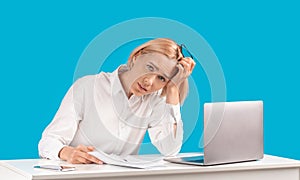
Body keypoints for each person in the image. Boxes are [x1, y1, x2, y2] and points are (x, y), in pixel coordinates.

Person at [38, 38, 196, 164]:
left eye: (161, 78)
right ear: (136, 57)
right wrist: (66, 152)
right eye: (150, 67)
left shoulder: (154, 100)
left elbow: (170, 150)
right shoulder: (88, 86)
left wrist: (174, 88)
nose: (149, 82)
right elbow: (48, 141)